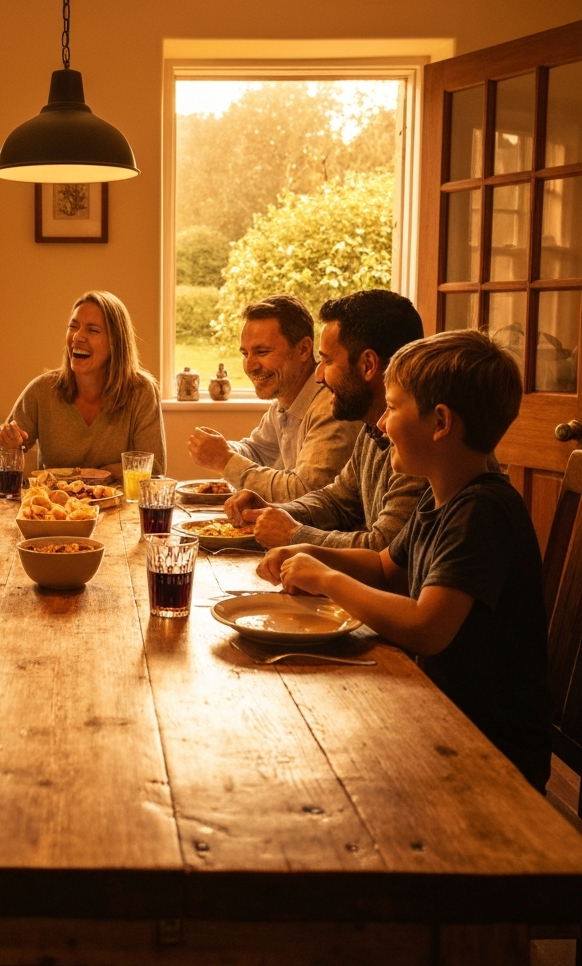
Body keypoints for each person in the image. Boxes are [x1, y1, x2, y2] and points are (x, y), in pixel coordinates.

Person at [257, 330, 551, 792]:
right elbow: (383, 567)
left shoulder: (483, 511)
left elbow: (425, 628)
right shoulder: (440, 499)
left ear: (439, 423)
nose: (380, 424)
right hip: (439, 710)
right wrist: (309, 550)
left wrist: (328, 579)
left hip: (487, 748)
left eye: (392, 408)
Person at [225, 289, 427, 550]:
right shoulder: (372, 428)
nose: (319, 375)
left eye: (328, 361)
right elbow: (337, 500)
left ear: (367, 365)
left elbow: (385, 547)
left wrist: (294, 534)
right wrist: (274, 511)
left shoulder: (420, 441)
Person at [187, 294, 359, 500]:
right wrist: (223, 449)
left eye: (262, 351)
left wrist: (225, 460)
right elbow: (257, 452)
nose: (250, 366)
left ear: (304, 349)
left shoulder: (331, 407)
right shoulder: (284, 400)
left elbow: (304, 493)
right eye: (245, 354)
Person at [0, 290, 166, 476]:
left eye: (92, 330)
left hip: (121, 504)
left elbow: (154, 469)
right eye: (73, 326)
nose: (77, 337)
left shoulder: (141, 391)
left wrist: (99, 475)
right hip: (56, 504)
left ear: (116, 343)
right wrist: (8, 448)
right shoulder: (41, 390)